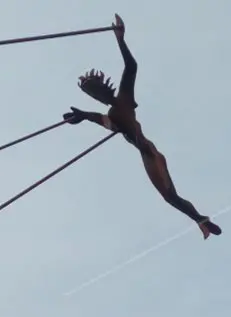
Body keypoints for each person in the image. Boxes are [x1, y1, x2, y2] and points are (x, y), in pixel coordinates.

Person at [63, 14, 221, 240]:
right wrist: (82, 116)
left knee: (171, 197)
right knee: (170, 197)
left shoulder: (123, 100)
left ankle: (200, 219)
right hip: (146, 151)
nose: (98, 98)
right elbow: (103, 120)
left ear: (103, 89)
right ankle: (200, 220)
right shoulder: (114, 112)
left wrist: (120, 39)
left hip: (148, 151)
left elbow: (131, 66)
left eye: (96, 93)